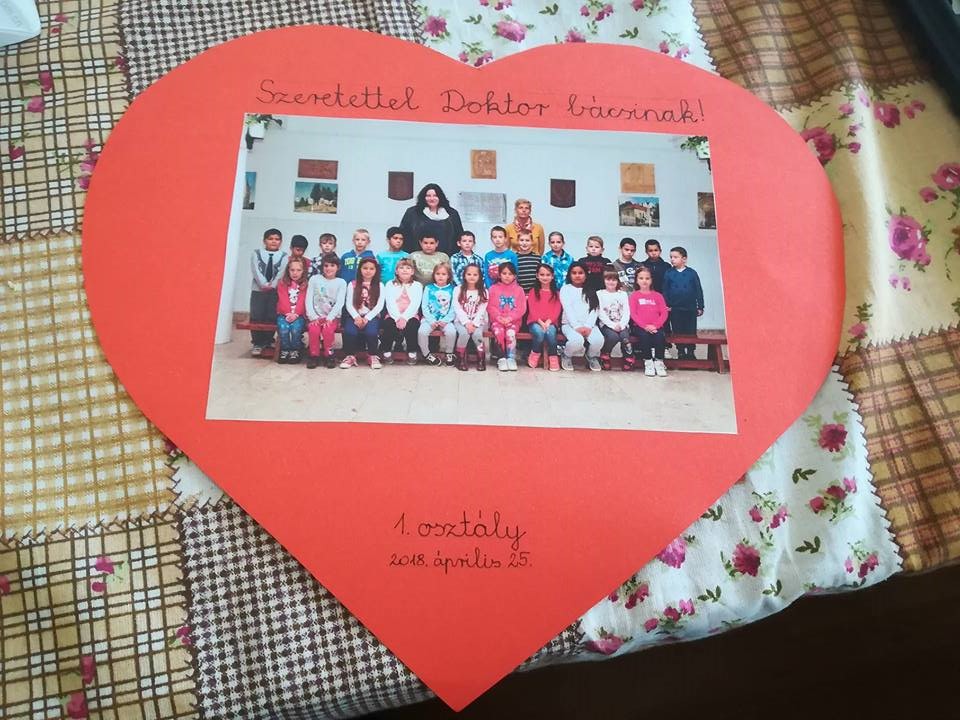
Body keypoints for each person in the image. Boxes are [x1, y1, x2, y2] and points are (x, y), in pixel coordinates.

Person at [249, 228, 288, 356]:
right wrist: (263, 284)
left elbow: (281, 273)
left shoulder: (283, 256)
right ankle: (257, 342)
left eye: (277, 239)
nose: (274, 241)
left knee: (272, 315)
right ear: (264, 240)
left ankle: (268, 340)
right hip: (258, 290)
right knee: (257, 315)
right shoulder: (257, 253)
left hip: (274, 291)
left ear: (281, 241)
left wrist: (273, 285)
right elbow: (256, 270)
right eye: (270, 239)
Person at [340, 258, 385, 370]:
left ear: (376, 270)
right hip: (354, 316)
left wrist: (367, 318)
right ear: (360, 269)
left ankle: (372, 355)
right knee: (350, 331)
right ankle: (350, 356)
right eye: (365, 268)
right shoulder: (352, 284)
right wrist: (356, 317)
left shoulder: (380, 285)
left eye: (371, 269)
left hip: (372, 316)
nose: (368, 271)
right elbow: (349, 304)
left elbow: (380, 305)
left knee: (371, 332)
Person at [663, 246, 705, 360]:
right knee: (677, 330)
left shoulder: (692, 273)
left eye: (675, 257)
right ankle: (680, 351)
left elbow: (698, 290)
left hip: (690, 308)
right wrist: (666, 305)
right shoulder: (669, 273)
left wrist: (700, 306)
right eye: (671, 257)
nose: (672, 259)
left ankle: (691, 352)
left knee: (690, 331)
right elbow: (665, 290)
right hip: (675, 308)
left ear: (684, 259)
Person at [305, 254, 346, 369]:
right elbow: (308, 299)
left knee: (328, 330)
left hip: (332, 317)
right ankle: (314, 355)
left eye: (332, 265)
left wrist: (330, 318)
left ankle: (329, 355)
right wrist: (313, 316)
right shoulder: (314, 279)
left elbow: (340, 302)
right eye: (326, 265)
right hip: (315, 316)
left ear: (338, 267)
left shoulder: (341, 282)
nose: (329, 268)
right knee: (314, 330)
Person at [560, 262, 603, 371]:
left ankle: (591, 356)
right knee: (577, 341)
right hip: (569, 324)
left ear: (586, 274)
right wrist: (576, 326)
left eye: (580, 273)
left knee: (598, 340)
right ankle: (566, 355)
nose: (577, 275)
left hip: (589, 325)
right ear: (569, 275)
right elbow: (568, 308)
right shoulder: (565, 289)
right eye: (574, 273)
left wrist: (588, 326)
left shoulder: (592, 290)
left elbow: (595, 309)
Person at [399, 183, 464, 255]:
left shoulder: (452, 214)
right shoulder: (412, 213)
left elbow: (460, 236)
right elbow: (403, 234)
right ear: (423, 197)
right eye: (428, 196)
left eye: (435, 195)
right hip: (418, 258)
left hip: (446, 258)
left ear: (440, 197)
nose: (432, 198)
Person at [380, 258, 423, 366]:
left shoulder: (417, 285)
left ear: (412, 271)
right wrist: (397, 318)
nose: (404, 270)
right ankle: (386, 350)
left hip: (411, 314)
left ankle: (412, 351)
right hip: (393, 314)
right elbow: (390, 302)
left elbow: (415, 304)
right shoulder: (390, 284)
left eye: (408, 268)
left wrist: (404, 318)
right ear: (396, 271)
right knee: (388, 324)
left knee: (412, 325)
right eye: (401, 267)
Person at [487, 263, 527, 371]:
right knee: (499, 332)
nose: (507, 276)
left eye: (510, 274)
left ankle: (511, 358)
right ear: (499, 275)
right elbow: (490, 306)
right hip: (497, 321)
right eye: (504, 273)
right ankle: (501, 358)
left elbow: (521, 308)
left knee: (510, 333)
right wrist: (499, 317)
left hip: (514, 321)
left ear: (515, 276)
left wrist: (510, 318)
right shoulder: (493, 289)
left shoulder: (519, 290)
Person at [630, 267, 669, 377]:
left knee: (660, 337)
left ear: (651, 280)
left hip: (656, 326)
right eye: (641, 278)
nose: (644, 281)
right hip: (640, 327)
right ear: (636, 280)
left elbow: (664, 313)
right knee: (645, 336)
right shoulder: (634, 296)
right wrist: (645, 326)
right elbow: (633, 314)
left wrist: (655, 326)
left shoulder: (658, 296)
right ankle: (648, 362)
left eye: (647, 278)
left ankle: (659, 362)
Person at [418, 263, 458, 366]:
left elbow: (454, 307)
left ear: (448, 276)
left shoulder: (453, 289)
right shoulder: (428, 288)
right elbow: (424, 306)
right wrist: (431, 320)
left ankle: (449, 353)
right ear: (434, 275)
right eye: (438, 274)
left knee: (451, 332)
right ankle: (426, 354)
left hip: (445, 320)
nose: (440, 276)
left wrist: (446, 320)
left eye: (444, 274)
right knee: (422, 332)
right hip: (429, 319)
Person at [525, 263, 562, 371]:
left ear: (552, 276)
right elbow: (532, 309)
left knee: (551, 333)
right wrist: (540, 322)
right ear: (537, 276)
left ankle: (553, 356)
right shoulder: (533, 292)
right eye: (542, 275)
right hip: (535, 321)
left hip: (551, 322)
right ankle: (535, 352)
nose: (545, 277)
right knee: (539, 333)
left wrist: (549, 322)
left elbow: (557, 310)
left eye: (548, 275)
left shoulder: (556, 293)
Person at [596, 268, 633, 371]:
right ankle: (605, 354)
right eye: (608, 279)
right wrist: (612, 325)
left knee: (625, 338)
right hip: (606, 324)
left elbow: (626, 311)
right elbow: (600, 313)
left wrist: (622, 324)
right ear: (604, 280)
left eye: (614, 280)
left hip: (622, 324)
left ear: (618, 281)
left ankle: (628, 356)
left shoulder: (622, 294)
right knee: (613, 337)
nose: (611, 282)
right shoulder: (600, 293)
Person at [454, 264, 489, 371]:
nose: (472, 277)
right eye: (469, 274)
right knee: (464, 333)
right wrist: (466, 323)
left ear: (479, 276)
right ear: (464, 276)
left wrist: (474, 324)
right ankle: (461, 358)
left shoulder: (484, 291)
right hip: (461, 321)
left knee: (477, 334)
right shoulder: (458, 289)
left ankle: (481, 358)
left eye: (475, 274)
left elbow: (482, 310)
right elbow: (457, 308)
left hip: (477, 321)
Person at [275, 257, 308, 364]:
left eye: (298, 270)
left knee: (295, 329)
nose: (295, 273)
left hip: (299, 315)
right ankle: (285, 349)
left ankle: (295, 350)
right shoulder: (282, 283)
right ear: (288, 270)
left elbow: (302, 300)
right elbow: (283, 299)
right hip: (284, 313)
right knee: (283, 328)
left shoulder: (305, 284)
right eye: (292, 270)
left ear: (303, 271)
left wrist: (296, 314)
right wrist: (287, 313)